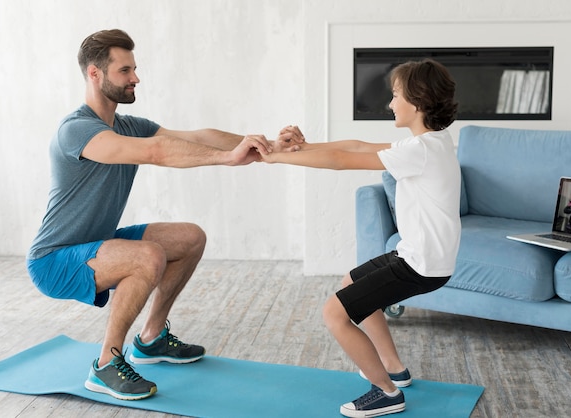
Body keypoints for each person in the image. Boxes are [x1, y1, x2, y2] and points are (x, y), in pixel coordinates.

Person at [26, 29, 304, 401]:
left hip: (97, 244)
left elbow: (197, 137)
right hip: (54, 259)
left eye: (134, 69)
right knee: (149, 256)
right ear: (95, 74)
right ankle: (107, 364)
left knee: (190, 237)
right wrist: (228, 158)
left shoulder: (127, 125)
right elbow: (157, 151)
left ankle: (151, 339)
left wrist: (265, 145)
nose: (135, 78)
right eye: (125, 70)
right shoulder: (76, 130)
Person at [260, 59, 460, 417]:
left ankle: (385, 392)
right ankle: (394, 370)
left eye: (395, 95)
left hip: (421, 263)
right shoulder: (431, 142)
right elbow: (357, 144)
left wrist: (277, 157)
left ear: (417, 101)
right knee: (351, 281)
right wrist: (302, 146)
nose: (390, 103)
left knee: (334, 313)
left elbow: (340, 160)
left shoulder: (421, 150)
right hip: (419, 256)